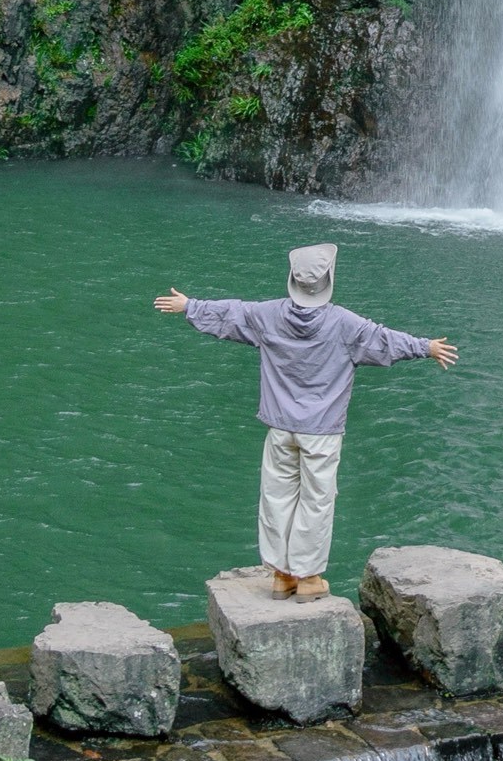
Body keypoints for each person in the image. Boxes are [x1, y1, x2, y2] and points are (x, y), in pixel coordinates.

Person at [156, 243, 457, 600]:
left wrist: (190, 305)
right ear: (328, 280)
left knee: (276, 496)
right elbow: (384, 340)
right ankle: (309, 578)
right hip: (322, 431)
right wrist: (426, 347)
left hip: (280, 426)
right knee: (316, 500)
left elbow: (231, 313)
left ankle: (282, 576)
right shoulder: (345, 323)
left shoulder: (268, 315)